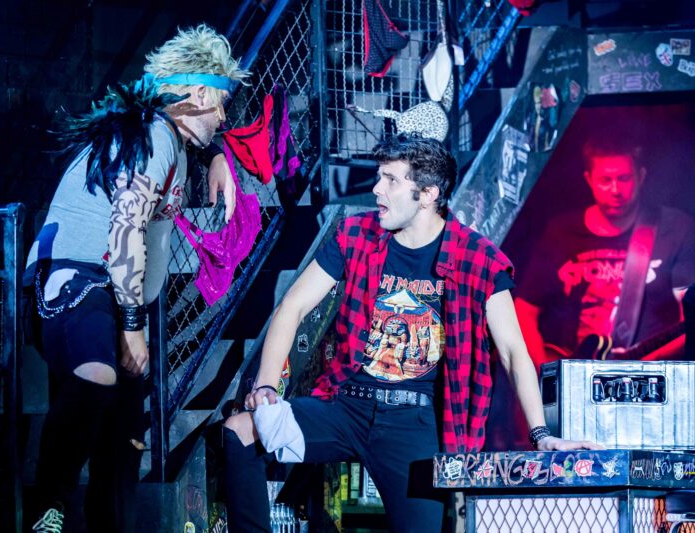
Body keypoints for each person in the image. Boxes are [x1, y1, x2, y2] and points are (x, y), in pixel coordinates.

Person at [222, 134, 601, 533]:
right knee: (240, 431)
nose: (376, 189)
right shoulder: (356, 236)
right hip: (346, 406)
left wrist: (541, 435)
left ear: (428, 194)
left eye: (390, 180)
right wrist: (267, 384)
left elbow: (512, 351)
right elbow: (292, 307)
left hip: (413, 423)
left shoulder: (478, 258)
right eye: (379, 177)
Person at [24, 25, 248, 533]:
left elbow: (187, 139)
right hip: (79, 280)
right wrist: (132, 324)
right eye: (221, 105)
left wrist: (215, 155)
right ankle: (48, 506)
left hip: (114, 290)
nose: (224, 117)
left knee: (124, 439)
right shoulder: (155, 136)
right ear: (199, 94)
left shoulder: (169, 136)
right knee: (97, 374)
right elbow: (125, 227)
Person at [515, 136, 695, 367]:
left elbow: (689, 320)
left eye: (624, 178)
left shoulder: (674, 229)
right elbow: (524, 311)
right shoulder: (561, 232)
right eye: (605, 180)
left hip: (646, 372)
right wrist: (544, 372)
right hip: (574, 371)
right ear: (589, 179)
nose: (615, 190)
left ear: (641, 176)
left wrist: (648, 364)